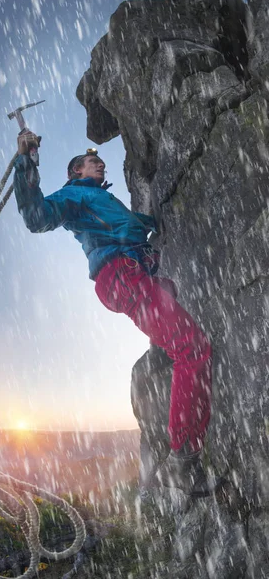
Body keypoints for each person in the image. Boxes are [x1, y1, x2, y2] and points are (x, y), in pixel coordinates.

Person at [13, 130, 214, 497]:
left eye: (99, 160)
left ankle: (168, 370)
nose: (99, 162)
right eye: (92, 161)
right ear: (75, 172)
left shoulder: (100, 199)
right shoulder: (74, 195)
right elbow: (37, 216)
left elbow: (130, 225)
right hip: (122, 274)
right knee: (192, 347)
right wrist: (26, 160)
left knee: (173, 305)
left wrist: (152, 223)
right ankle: (183, 460)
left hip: (128, 275)